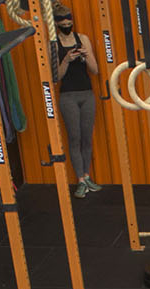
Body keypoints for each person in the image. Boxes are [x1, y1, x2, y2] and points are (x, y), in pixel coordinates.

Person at [51, 5, 100, 198]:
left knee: (87, 137)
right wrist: (67, 60)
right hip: (68, 96)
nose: (66, 24)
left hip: (87, 93)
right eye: (62, 21)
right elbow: (56, 76)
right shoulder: (54, 44)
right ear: (56, 22)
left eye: (68, 20)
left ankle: (87, 176)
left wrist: (86, 56)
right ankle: (80, 179)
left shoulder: (83, 39)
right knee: (75, 137)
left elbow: (95, 70)